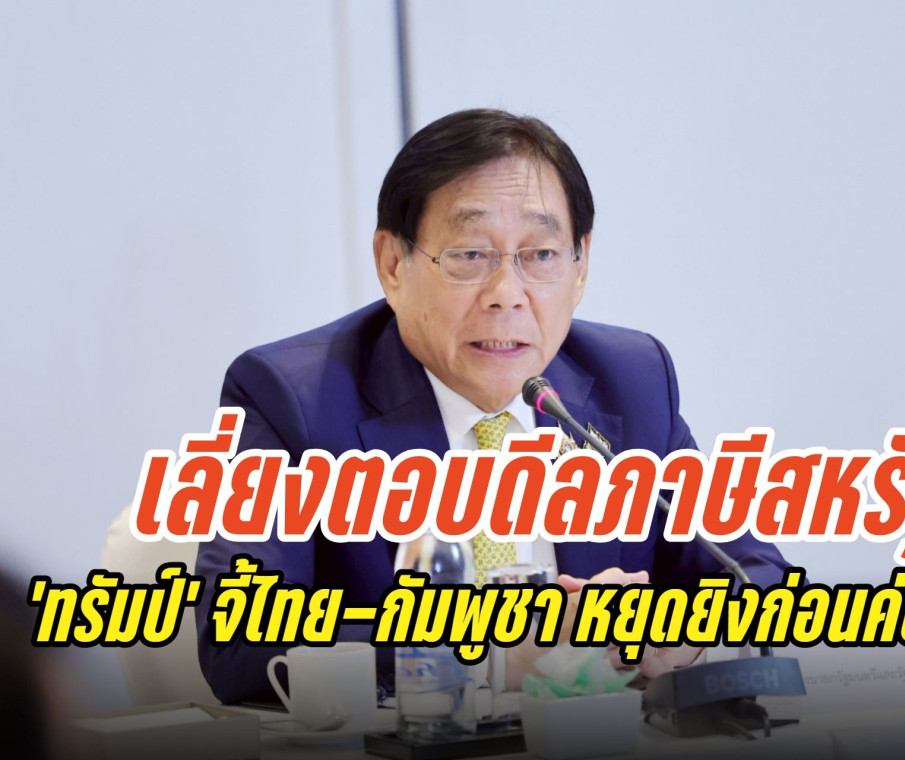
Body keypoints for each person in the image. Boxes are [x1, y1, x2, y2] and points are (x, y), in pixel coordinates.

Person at [195, 108, 791, 704]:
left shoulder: (630, 385)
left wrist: (679, 637)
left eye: (541, 255)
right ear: (393, 264)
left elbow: (757, 580)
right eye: (470, 255)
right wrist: (488, 653)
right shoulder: (294, 400)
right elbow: (239, 637)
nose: (507, 295)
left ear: (580, 266)